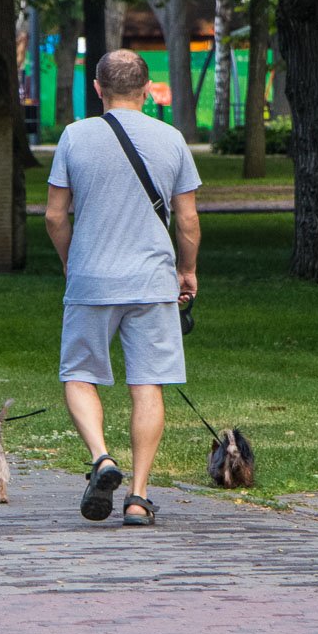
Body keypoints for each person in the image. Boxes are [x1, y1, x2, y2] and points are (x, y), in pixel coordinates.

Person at [44, 49, 201, 526]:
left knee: (79, 374)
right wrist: (187, 270)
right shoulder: (172, 139)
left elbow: (54, 216)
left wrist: (71, 263)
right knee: (147, 384)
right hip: (152, 281)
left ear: (98, 88)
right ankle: (137, 496)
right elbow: (187, 220)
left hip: (91, 278)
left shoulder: (74, 136)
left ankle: (102, 458)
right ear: (147, 89)